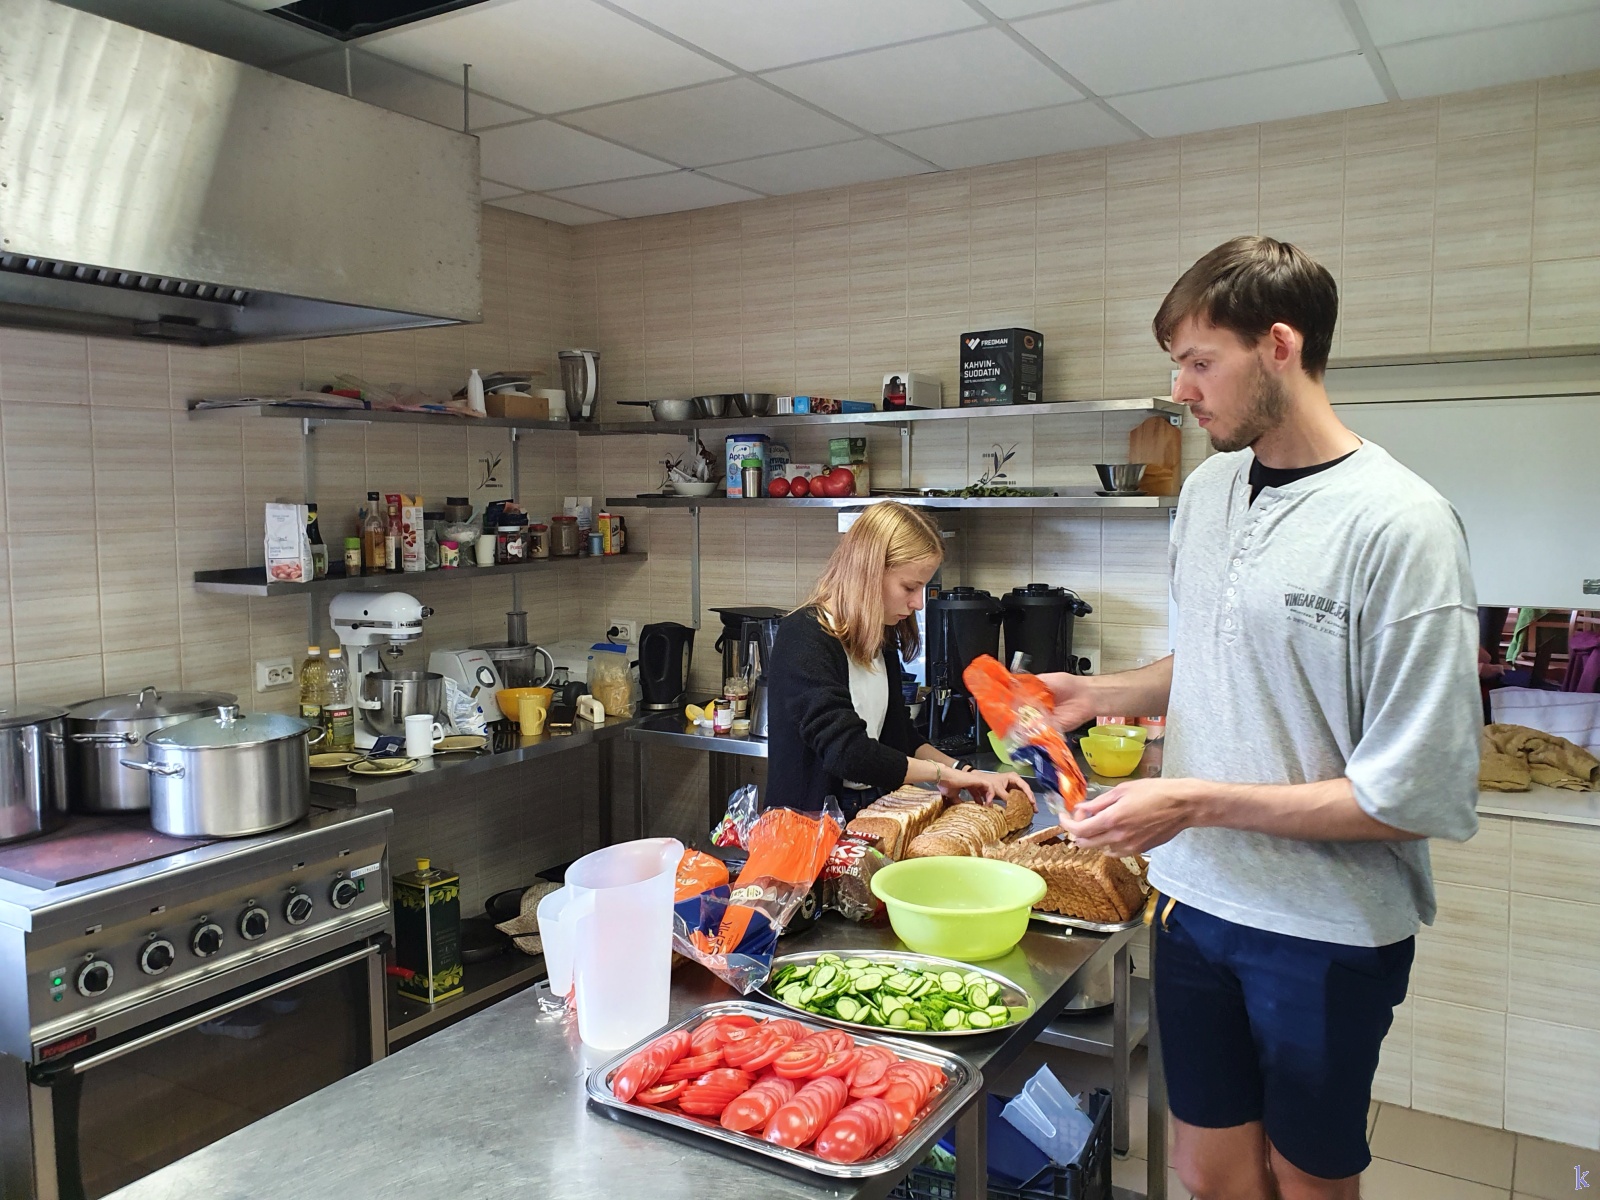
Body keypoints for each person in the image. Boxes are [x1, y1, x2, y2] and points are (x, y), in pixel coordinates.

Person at [1043, 236, 1480, 1200]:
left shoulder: (1401, 525)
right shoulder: (1208, 491)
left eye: (1200, 363)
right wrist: (1099, 695)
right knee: (1208, 1171)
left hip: (1325, 927)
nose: (1180, 391)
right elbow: (1217, 655)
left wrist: (1195, 801)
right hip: (1195, 902)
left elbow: (1414, 794)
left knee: (1306, 1178)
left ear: (1280, 346)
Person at [766, 501, 1030, 818]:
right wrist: (943, 775)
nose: (918, 603)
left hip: (868, 812)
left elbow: (899, 737)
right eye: (909, 587)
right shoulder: (804, 636)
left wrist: (967, 772)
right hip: (805, 828)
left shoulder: (880, 636)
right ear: (868, 572)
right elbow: (848, 753)